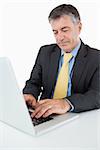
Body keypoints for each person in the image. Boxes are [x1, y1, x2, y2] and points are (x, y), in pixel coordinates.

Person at [23, 4, 100, 119]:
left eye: (64, 30)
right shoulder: (45, 52)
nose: (59, 37)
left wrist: (66, 103)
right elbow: (34, 82)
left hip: (76, 117)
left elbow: (97, 94)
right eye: (55, 32)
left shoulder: (96, 57)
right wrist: (30, 94)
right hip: (45, 114)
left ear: (79, 27)